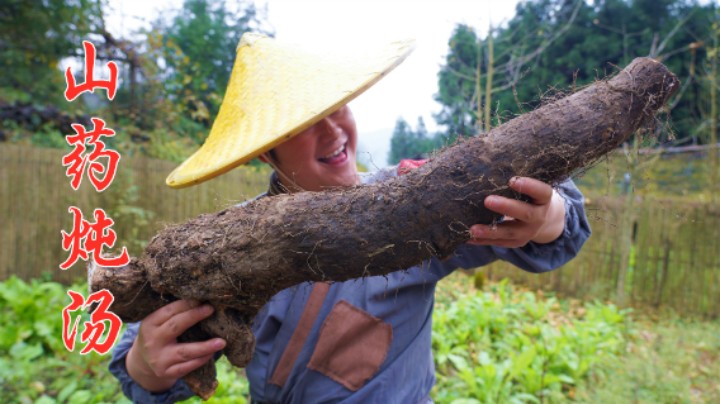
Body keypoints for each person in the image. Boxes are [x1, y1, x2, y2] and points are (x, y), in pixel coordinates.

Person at [109, 33, 590, 403]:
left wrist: (552, 216)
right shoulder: (228, 241)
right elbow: (146, 350)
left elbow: (546, 219)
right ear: (266, 153)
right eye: (303, 124)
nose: (334, 129)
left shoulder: (410, 201)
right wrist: (144, 366)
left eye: (337, 107)